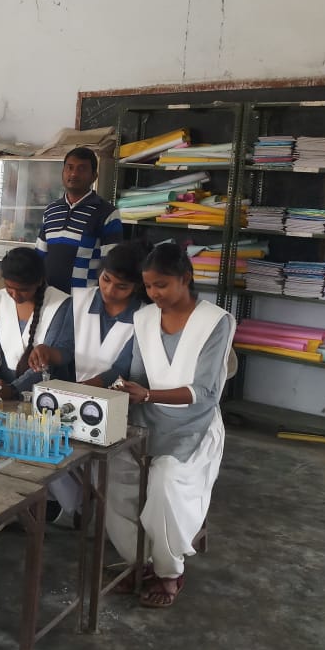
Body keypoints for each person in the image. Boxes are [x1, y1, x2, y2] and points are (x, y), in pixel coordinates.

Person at [106, 242, 236, 608]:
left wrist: (147, 394)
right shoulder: (144, 318)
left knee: (165, 481)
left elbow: (205, 393)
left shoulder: (216, 321)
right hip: (145, 420)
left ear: (186, 278)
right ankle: (137, 561)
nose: (154, 293)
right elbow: (137, 374)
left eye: (161, 285)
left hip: (193, 426)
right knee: (112, 474)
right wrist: (123, 390)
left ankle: (168, 570)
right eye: (148, 286)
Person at [32, 241, 147, 525]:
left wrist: (81, 391)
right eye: (106, 279)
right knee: (43, 445)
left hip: (120, 405)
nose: (109, 290)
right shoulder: (81, 301)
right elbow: (65, 349)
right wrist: (47, 351)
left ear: (136, 287)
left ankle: (95, 511)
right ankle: (75, 506)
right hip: (81, 397)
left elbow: (122, 369)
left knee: (111, 472)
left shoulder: (144, 316)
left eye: (121, 286)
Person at [0, 247, 73, 398]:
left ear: (39, 281)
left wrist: (13, 389)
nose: (15, 295)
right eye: (9, 288)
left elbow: (45, 363)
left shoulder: (60, 304)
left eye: (23, 290)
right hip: (4, 389)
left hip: (44, 393)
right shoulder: (0, 300)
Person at [35, 146, 122, 293]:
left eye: (82, 169)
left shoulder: (107, 213)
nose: (74, 173)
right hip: (49, 297)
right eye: (70, 167)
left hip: (84, 299)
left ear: (94, 176)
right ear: (63, 172)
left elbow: (111, 265)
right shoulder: (51, 210)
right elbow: (39, 256)